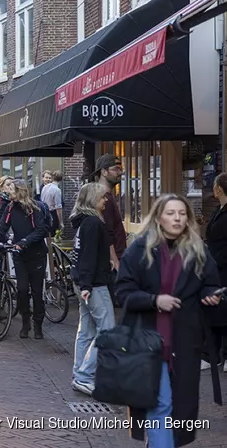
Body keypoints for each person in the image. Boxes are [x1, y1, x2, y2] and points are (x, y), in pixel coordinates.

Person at [115, 194, 223, 447]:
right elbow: (123, 292)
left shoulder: (198, 250)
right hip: (147, 340)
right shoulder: (140, 249)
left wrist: (210, 296)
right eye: (171, 213)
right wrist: (154, 300)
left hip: (184, 341)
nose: (177, 218)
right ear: (158, 217)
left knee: (180, 409)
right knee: (160, 403)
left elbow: (210, 284)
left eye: (182, 213)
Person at [0, 179, 50, 339]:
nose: (7, 192)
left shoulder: (36, 208)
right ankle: (26, 323)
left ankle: (38, 324)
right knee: (22, 290)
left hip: (36, 255)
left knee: (37, 291)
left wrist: (24, 242)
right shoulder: (10, 208)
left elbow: (41, 230)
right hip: (20, 255)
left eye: (10, 189)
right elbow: (1, 228)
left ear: (20, 191)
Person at [69, 182, 115, 396]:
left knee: (85, 331)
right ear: (93, 200)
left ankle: (79, 375)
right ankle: (85, 376)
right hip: (94, 285)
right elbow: (88, 256)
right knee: (107, 330)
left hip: (83, 282)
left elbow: (82, 255)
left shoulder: (82, 223)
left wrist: (82, 283)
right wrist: (87, 285)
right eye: (103, 197)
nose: (106, 200)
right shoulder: (94, 224)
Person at [93, 154, 127, 304]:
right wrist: (115, 260)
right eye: (116, 169)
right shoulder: (103, 199)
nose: (120, 172)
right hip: (111, 262)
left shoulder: (107, 196)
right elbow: (107, 232)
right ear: (104, 172)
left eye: (120, 169)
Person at [203, 172, 227, 373]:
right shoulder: (217, 210)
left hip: (224, 267)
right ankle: (213, 353)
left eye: (214, 186)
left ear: (219, 189)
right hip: (214, 268)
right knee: (214, 309)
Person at [40, 170, 63, 237]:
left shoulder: (45, 187)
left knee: (46, 234)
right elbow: (58, 207)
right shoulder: (57, 190)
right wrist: (61, 222)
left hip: (43, 212)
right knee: (53, 234)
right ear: (60, 180)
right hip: (52, 213)